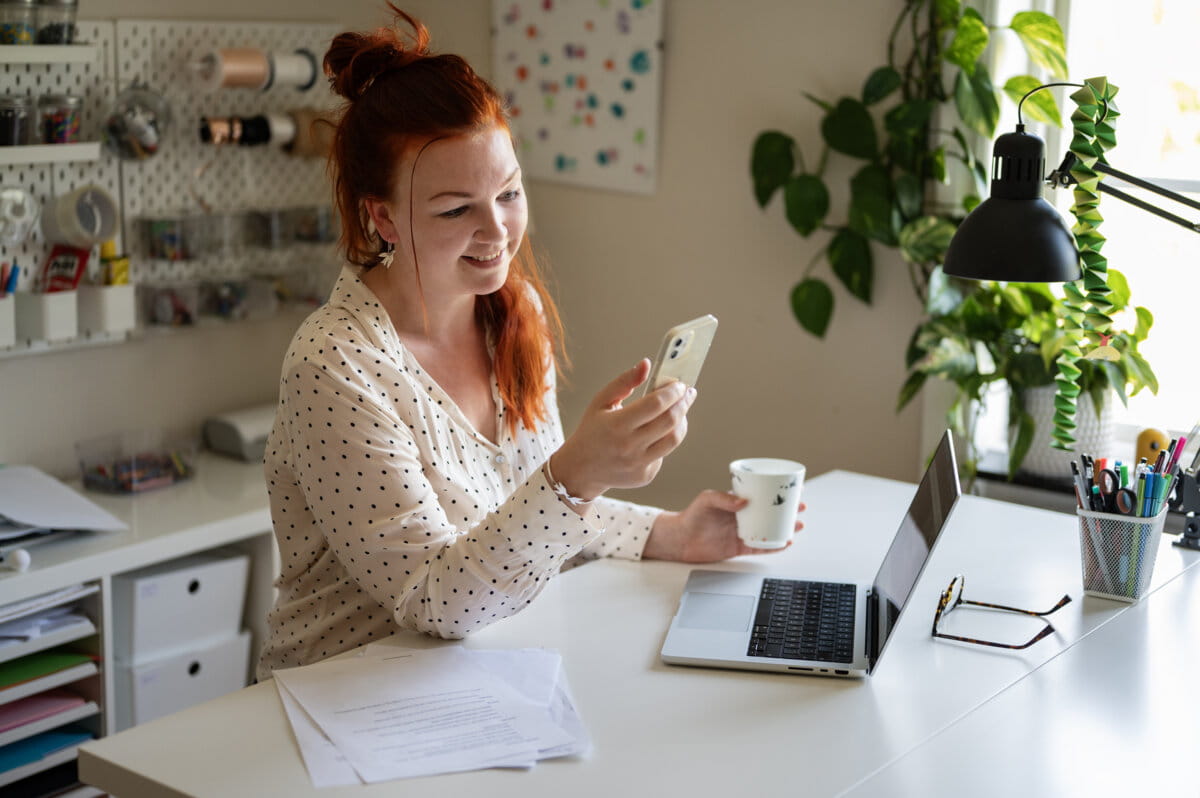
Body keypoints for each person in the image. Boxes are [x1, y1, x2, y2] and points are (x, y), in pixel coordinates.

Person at [256, 5, 797, 680]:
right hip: (337, 701)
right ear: (382, 216)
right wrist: (580, 471)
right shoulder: (335, 367)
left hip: (479, 674)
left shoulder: (512, 314)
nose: (498, 231)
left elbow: (523, 522)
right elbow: (432, 599)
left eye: (508, 193)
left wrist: (670, 532)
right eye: (457, 209)